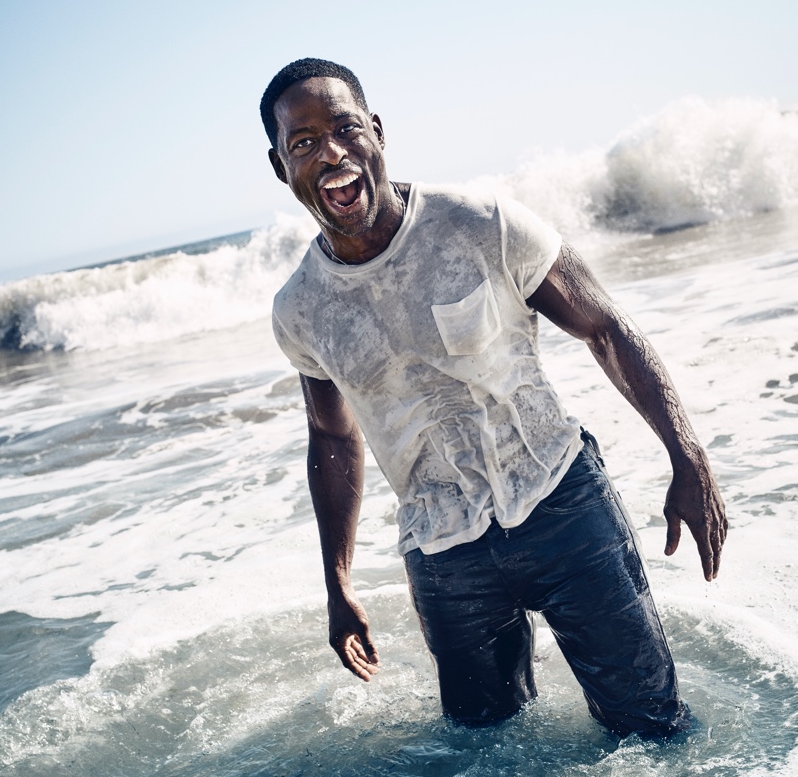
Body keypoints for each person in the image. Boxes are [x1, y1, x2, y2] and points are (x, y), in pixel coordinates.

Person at [261, 57, 727, 735]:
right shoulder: (301, 308)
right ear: (281, 167)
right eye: (302, 142)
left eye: (345, 128)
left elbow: (605, 327)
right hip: (444, 550)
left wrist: (687, 457)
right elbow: (332, 436)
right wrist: (338, 583)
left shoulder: (479, 223)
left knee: (652, 726)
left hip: (563, 508)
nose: (331, 153)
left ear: (377, 133)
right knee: (487, 763)